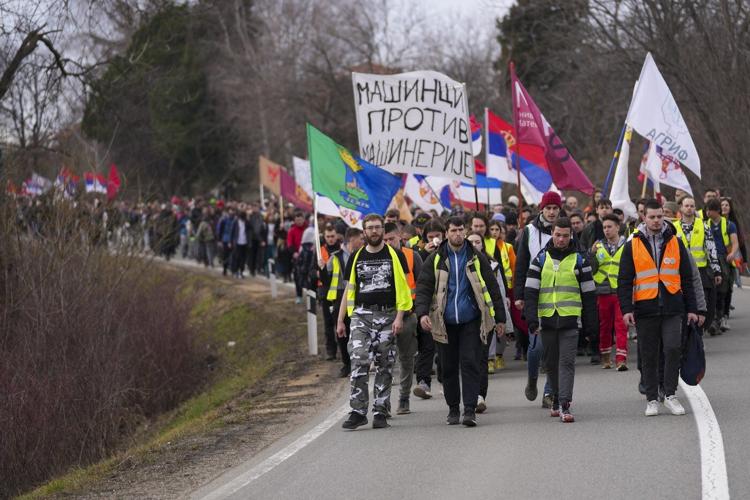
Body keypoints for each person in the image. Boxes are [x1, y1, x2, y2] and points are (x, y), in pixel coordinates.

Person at [415, 217, 505, 426]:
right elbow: (424, 287)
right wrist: (422, 314)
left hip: (470, 319)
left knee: (470, 362)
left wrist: (500, 318)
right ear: (446, 233)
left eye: (460, 230)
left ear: (465, 232)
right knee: (448, 367)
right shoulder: (436, 258)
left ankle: (470, 410)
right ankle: (453, 408)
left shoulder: (476, 256)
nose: (457, 234)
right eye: (453, 230)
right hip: (444, 322)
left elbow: (493, 287)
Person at [617, 199, 697, 416]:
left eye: (659, 216)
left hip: (672, 306)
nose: (656, 221)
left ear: (664, 216)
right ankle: (652, 398)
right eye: (651, 217)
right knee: (649, 354)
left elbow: (687, 278)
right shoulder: (632, 244)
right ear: (644, 217)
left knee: (672, 349)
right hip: (645, 307)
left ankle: (670, 394)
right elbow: (624, 279)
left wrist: (693, 308)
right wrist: (627, 309)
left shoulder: (675, 241)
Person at [336, 214, 412, 430]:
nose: (375, 231)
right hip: (361, 315)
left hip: (387, 316)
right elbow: (349, 290)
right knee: (359, 359)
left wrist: (399, 317)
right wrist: (340, 320)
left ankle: (380, 410)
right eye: (370, 228)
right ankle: (358, 411)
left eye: (378, 227)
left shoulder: (395, 255)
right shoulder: (356, 257)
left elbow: (403, 289)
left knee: (384, 363)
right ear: (364, 232)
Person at [524, 217, 597, 422]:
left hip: (570, 320)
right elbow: (530, 292)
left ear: (571, 236)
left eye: (565, 235)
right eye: (557, 235)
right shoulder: (540, 259)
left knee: (567, 363)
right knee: (552, 364)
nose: (561, 239)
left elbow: (589, 296)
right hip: (546, 320)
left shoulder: (580, 260)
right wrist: (531, 320)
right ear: (552, 235)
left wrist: (592, 327)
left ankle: (565, 404)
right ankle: (555, 398)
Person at [514, 191, 561, 408]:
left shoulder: (565, 230)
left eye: (555, 208)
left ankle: (549, 392)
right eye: (548, 208)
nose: (552, 212)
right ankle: (532, 379)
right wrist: (519, 296)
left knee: (556, 347)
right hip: (535, 294)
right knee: (537, 348)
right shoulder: (529, 232)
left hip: (560, 294)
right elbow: (521, 265)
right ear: (542, 209)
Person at [383, 222, 422, 415]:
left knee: (406, 359)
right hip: (385, 317)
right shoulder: (379, 257)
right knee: (386, 361)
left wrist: (421, 312)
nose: (389, 242)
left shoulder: (412, 256)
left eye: (391, 238)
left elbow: (422, 285)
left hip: (408, 316)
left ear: (400, 236)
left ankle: (404, 398)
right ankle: (384, 401)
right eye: (385, 240)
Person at [677, 196, 722, 336]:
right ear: (681, 208)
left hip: (700, 271)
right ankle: (687, 333)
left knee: (702, 303)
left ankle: (699, 332)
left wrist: (716, 270)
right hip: (680, 272)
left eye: (692, 205)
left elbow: (711, 248)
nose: (689, 208)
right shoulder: (674, 227)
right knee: (685, 303)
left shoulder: (703, 225)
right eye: (686, 205)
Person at [412, 219, 445, 399]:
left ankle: (444, 379)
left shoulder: (449, 251)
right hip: (427, 304)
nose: (434, 240)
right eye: (430, 237)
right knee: (426, 345)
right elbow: (420, 280)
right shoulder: (419, 254)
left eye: (437, 236)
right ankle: (423, 382)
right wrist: (425, 254)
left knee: (443, 347)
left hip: (446, 305)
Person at [591, 214, 628, 370]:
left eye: (609, 227)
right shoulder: (598, 246)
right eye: (604, 227)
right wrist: (591, 254)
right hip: (603, 291)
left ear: (618, 227)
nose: (606, 230)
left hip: (621, 291)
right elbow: (590, 267)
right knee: (605, 325)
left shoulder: (628, 245)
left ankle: (621, 359)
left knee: (621, 325)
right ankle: (605, 357)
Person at [328, 227, 364, 377]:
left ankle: (360, 363)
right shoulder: (336, 257)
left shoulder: (362, 254)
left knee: (358, 331)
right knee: (342, 332)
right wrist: (321, 268)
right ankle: (346, 364)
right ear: (352, 239)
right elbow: (326, 275)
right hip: (340, 297)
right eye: (360, 238)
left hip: (357, 296)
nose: (363, 241)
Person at [705, 198, 739, 331]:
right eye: (706, 210)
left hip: (724, 260)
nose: (707, 213)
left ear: (717, 211)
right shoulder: (705, 224)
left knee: (723, 290)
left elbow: (735, 242)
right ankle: (713, 320)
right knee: (711, 290)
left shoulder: (729, 225)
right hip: (710, 260)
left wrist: (733, 253)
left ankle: (720, 318)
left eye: (710, 210)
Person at [317, 225, 342, 361]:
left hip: (340, 291)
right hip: (326, 291)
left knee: (341, 321)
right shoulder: (320, 251)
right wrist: (318, 270)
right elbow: (312, 270)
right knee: (328, 323)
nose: (331, 239)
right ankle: (331, 351)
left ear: (336, 236)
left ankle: (343, 348)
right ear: (324, 237)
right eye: (328, 237)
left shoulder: (342, 249)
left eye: (333, 236)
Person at [287, 211, 308, 304]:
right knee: (297, 276)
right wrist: (294, 252)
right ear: (294, 221)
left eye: (300, 220)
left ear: (303, 219)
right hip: (298, 256)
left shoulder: (309, 228)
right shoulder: (292, 230)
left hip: (309, 256)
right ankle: (299, 295)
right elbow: (289, 243)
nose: (299, 222)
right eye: (297, 220)